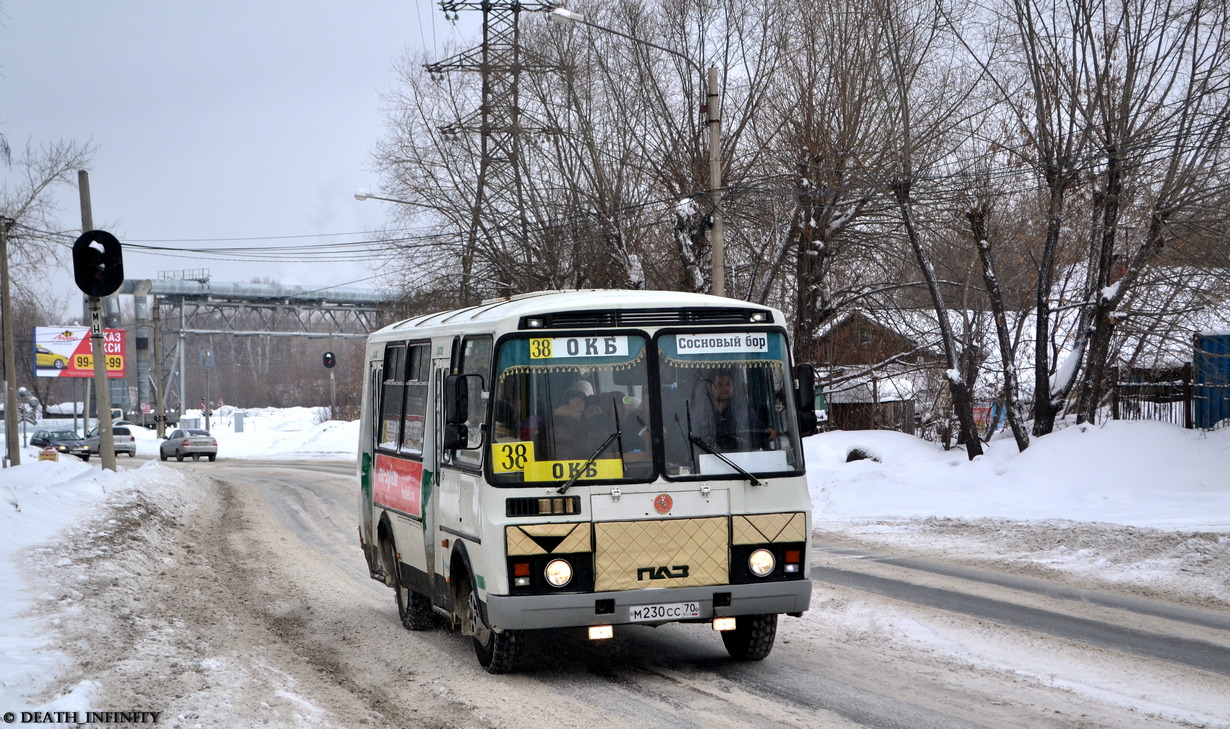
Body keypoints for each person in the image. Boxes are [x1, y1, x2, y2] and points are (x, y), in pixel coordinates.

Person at [696, 370, 776, 451]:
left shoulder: (741, 410)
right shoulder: (700, 411)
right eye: (720, 384)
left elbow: (759, 428)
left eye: (728, 384)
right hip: (707, 457)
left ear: (733, 387)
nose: (724, 388)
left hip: (739, 459)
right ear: (709, 387)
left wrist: (769, 430)